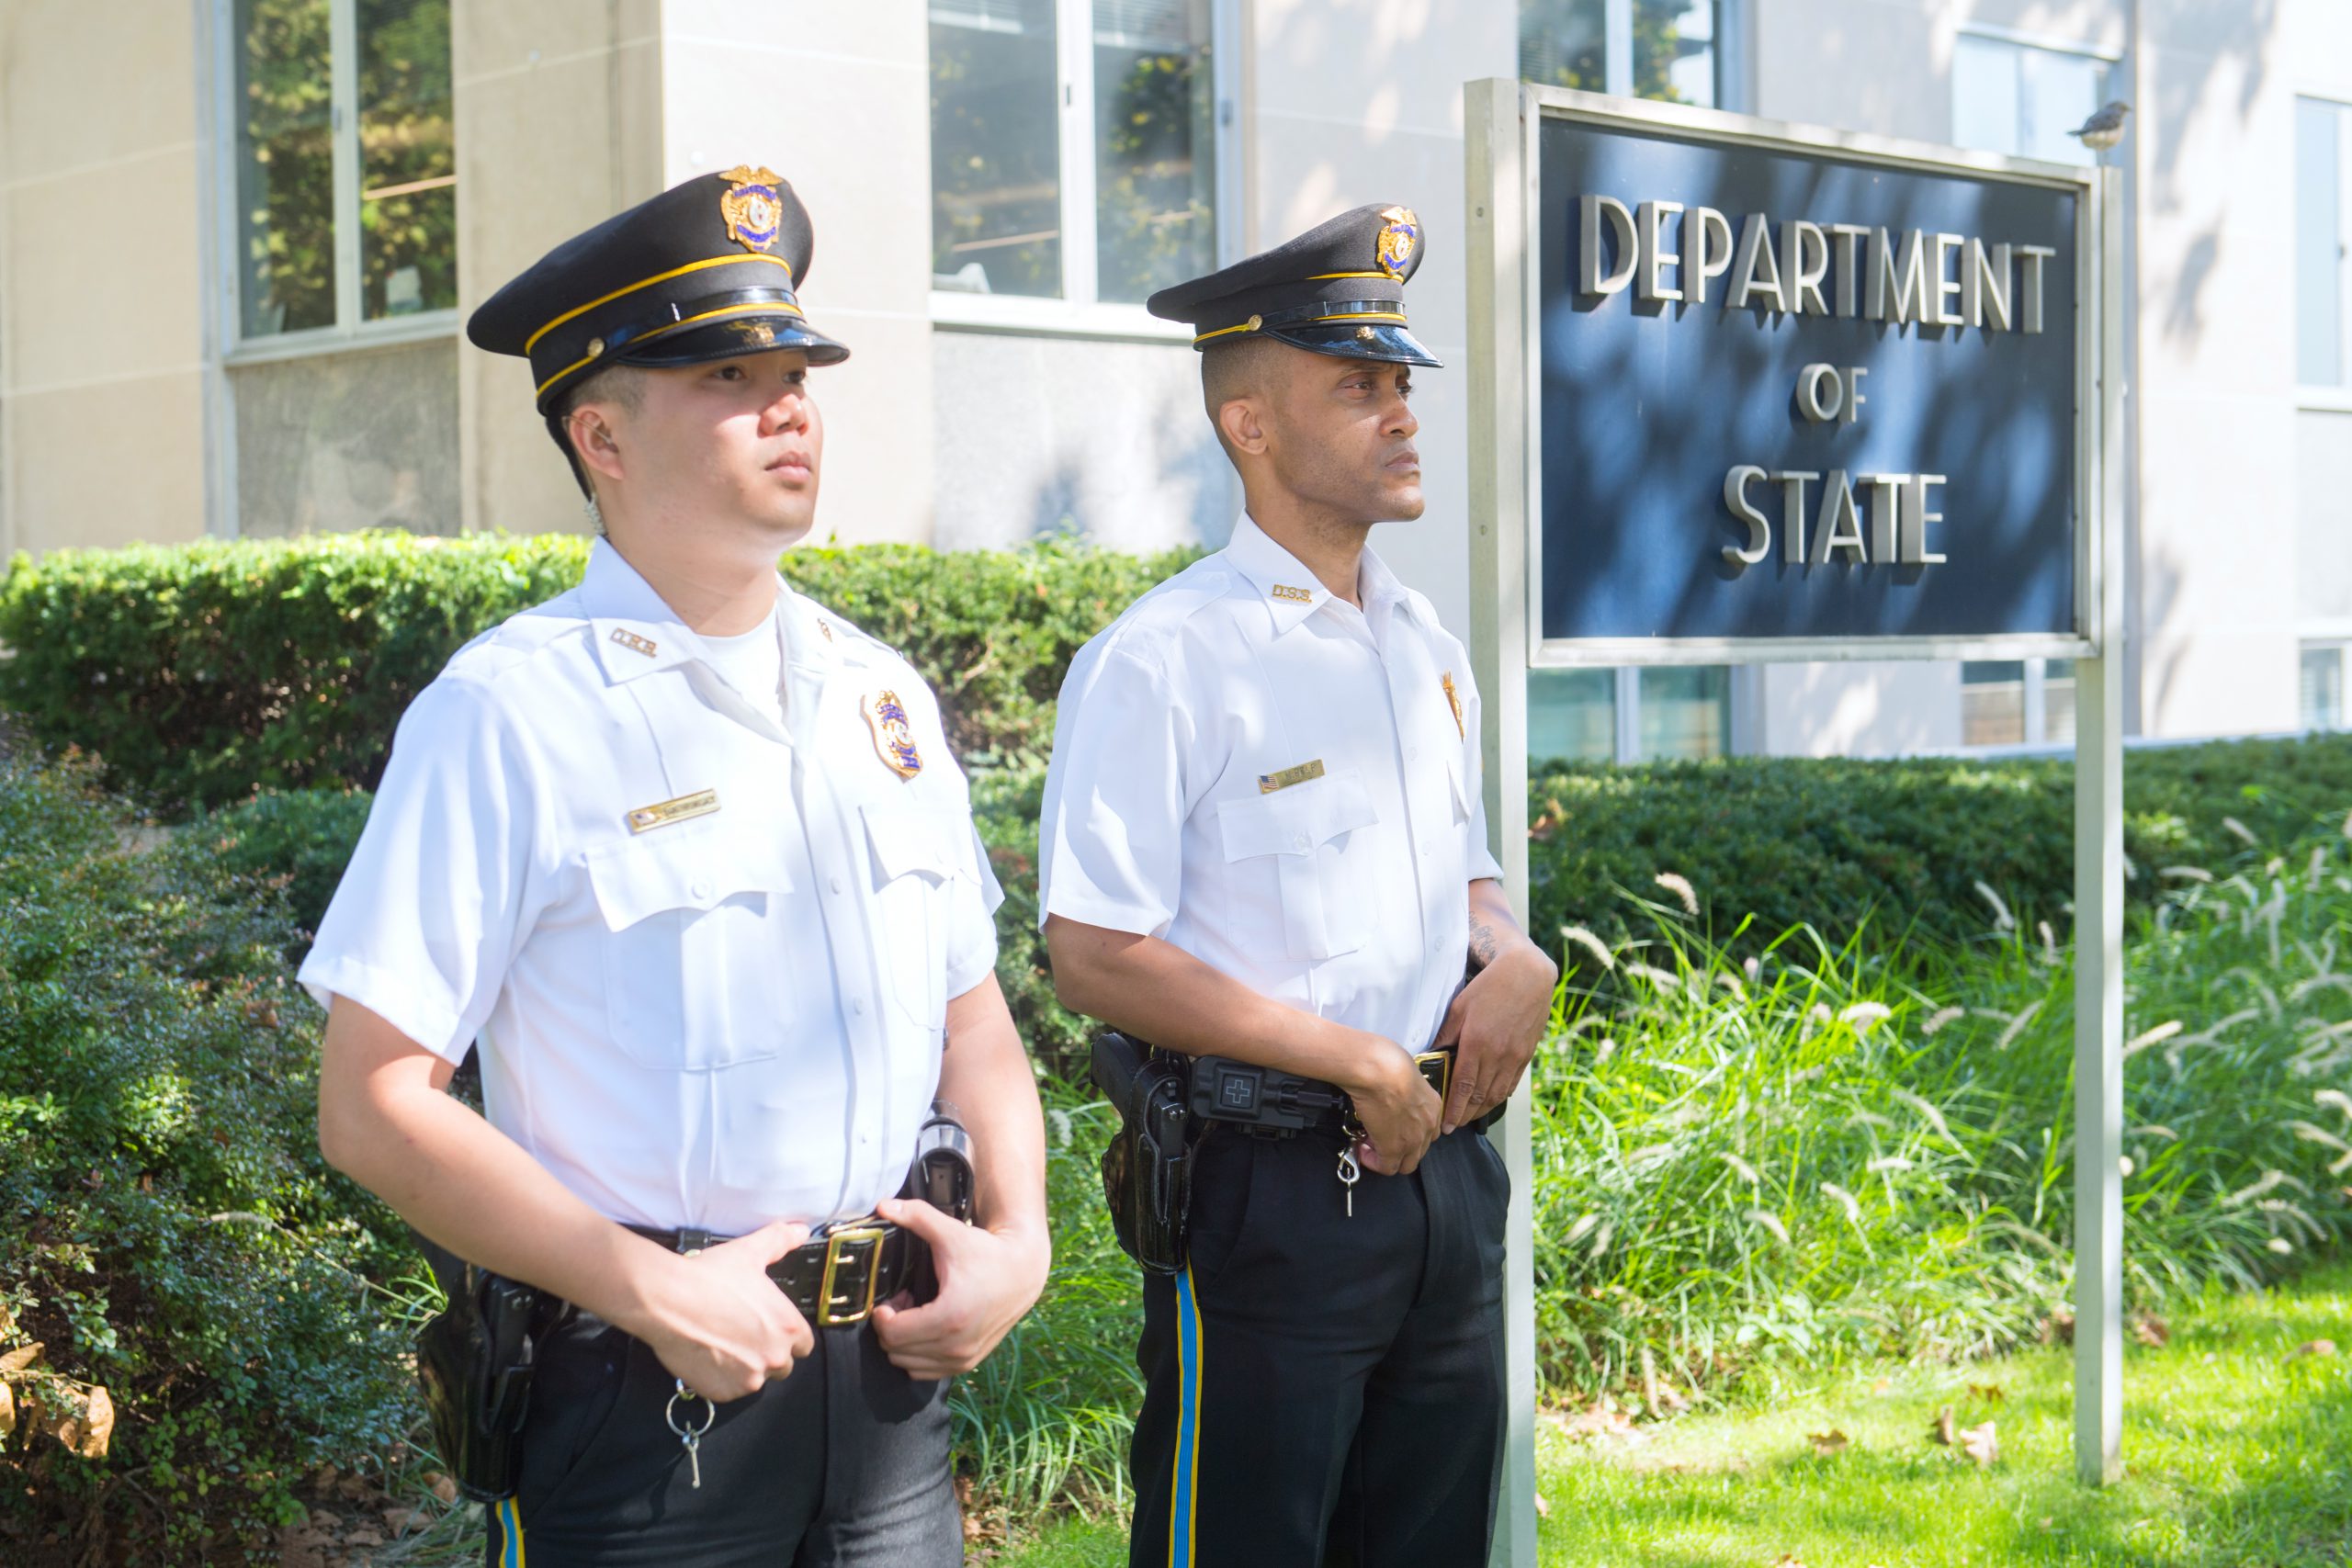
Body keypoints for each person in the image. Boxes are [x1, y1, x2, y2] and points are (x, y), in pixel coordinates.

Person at [302, 166, 1049, 1567]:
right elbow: (373, 1099)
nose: (788, 406)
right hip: (639, 1397)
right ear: (602, 434)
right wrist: (648, 1290)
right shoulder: (511, 710)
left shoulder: (876, 695)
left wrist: (1021, 1243)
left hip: (889, 1388)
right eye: (728, 373)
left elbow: (975, 1021)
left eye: (796, 372)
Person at [1037, 204, 1560, 1566]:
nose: (1400, 413)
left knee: (1433, 1543)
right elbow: (1095, 951)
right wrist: (1346, 1058)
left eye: (1401, 384)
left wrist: (1513, 957)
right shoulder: (1166, 659)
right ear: (1248, 427)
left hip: (1445, 1177)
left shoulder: (1422, 641)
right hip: (1268, 1191)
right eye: (1357, 386)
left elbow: (1467, 877)